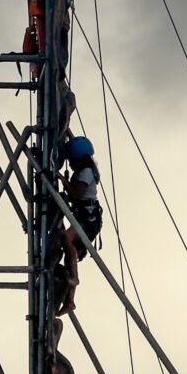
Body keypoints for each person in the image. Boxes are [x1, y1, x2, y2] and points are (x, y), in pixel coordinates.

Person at [56, 135, 103, 315]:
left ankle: (74, 278)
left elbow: (76, 194)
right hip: (84, 216)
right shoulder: (85, 171)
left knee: (67, 238)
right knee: (70, 257)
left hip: (88, 219)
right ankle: (69, 300)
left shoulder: (86, 173)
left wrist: (62, 179)